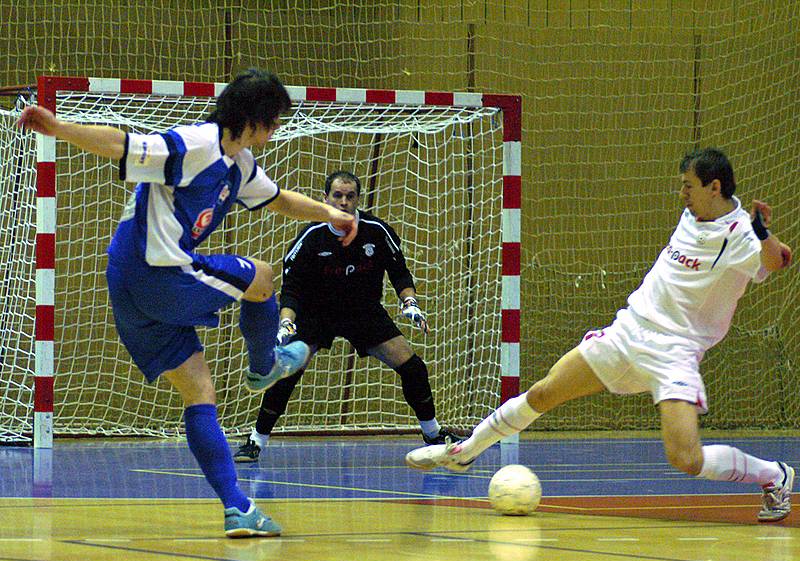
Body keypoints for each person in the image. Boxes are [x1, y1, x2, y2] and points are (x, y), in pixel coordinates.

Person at [16, 69, 358, 537]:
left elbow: (279, 200)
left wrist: (331, 214)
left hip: (127, 286)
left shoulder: (238, 164)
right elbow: (122, 144)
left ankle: (237, 507)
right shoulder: (196, 145)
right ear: (255, 120)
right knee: (262, 277)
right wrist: (58, 128)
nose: (277, 131)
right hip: (159, 274)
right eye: (274, 122)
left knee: (199, 390)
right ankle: (265, 366)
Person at [406, 148, 796, 523]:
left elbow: (778, 259)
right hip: (629, 331)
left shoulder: (742, 235)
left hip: (674, 351)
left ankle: (774, 475)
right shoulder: (692, 214)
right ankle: (464, 452)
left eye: (688, 186)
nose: (682, 194)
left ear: (714, 187)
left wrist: (762, 232)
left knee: (686, 459)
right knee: (544, 392)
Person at [233, 170, 461, 462]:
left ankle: (433, 433)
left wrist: (410, 302)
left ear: (358, 199)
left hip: (363, 311)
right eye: (337, 196)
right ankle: (256, 441)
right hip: (316, 313)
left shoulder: (376, 231)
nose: (343, 202)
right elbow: (292, 289)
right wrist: (287, 322)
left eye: (350, 196)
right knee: (287, 370)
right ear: (325, 198)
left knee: (413, 367)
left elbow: (399, 272)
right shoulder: (311, 237)